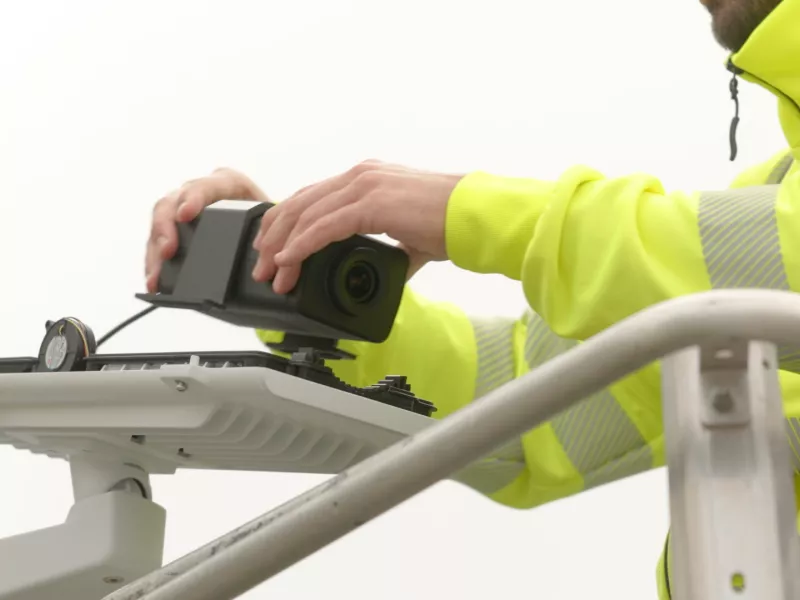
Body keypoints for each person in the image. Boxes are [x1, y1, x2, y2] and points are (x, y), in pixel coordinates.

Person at [145, 0, 797, 597]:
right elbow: (529, 407)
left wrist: (473, 213)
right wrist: (296, 283)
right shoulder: (770, 194)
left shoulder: (752, 239)